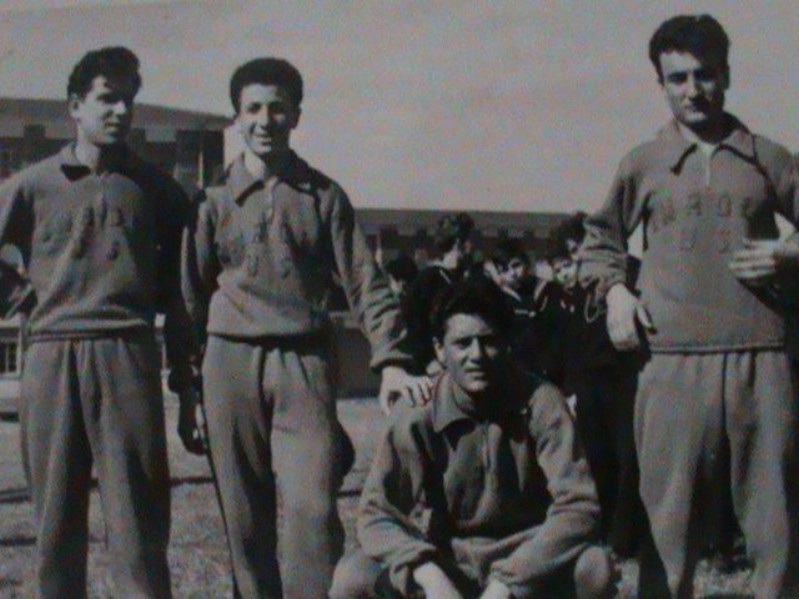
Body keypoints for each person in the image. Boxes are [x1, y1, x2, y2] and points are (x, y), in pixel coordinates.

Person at [181, 57, 429, 599]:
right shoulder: (213, 201)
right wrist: (188, 385)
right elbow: (191, 299)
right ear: (237, 117)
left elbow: (366, 281)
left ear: (295, 114)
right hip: (229, 364)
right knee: (244, 518)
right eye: (252, 109)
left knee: (312, 511)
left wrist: (390, 360)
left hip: (304, 363)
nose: (264, 120)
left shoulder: (324, 196)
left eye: (277, 108)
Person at [580, 14, 799, 597]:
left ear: (726, 76)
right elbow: (599, 242)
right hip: (670, 362)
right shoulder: (643, 162)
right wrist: (617, 292)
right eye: (677, 78)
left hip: (761, 358)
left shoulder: (768, 159)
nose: (693, 90)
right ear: (661, 83)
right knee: (666, 529)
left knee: (776, 530)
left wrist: (788, 255)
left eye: (705, 75)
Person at [0, 47, 203, 598]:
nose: (121, 111)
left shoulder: (158, 190)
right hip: (51, 353)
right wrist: (16, 292)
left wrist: (187, 386)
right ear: (75, 105)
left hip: (128, 352)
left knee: (138, 523)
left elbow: (182, 298)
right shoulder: (33, 183)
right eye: (107, 98)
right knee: (55, 522)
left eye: (128, 100)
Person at [331, 277, 614, 599]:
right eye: (462, 343)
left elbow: (579, 504)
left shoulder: (541, 402)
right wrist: (427, 572)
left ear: (506, 342)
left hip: (527, 557)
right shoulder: (419, 411)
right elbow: (375, 512)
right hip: (447, 558)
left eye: (488, 340)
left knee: (595, 568)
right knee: (352, 577)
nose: (476, 355)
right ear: (439, 349)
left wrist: (509, 581)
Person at [403, 212, 475, 373]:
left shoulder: (463, 280)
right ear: (459, 243)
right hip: (433, 370)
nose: (473, 246)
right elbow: (413, 325)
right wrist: (428, 361)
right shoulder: (427, 280)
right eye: (470, 240)